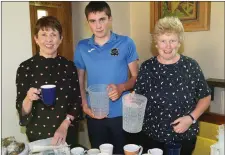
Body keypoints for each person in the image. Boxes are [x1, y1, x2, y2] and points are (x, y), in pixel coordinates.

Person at [133, 16, 211, 155]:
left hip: (184, 138)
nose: (168, 46)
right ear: (156, 43)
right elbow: (138, 99)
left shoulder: (191, 66)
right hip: (152, 137)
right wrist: (131, 100)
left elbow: (205, 97)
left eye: (172, 41)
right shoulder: (147, 67)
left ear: (179, 43)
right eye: (163, 41)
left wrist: (191, 118)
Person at [74, 1, 139, 154]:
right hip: (94, 113)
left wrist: (121, 87)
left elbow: (136, 77)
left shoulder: (126, 43)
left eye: (102, 19)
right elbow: (79, 80)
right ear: (87, 22)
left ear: (110, 19)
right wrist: (84, 105)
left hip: (121, 113)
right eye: (93, 21)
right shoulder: (82, 47)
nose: (98, 26)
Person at [16, 16, 82, 148]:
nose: (49, 39)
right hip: (37, 134)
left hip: (66, 132)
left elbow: (76, 101)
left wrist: (65, 124)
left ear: (61, 39)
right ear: (36, 39)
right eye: (44, 34)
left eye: (53, 34)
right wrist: (28, 98)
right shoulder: (25, 67)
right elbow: (22, 110)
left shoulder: (69, 66)